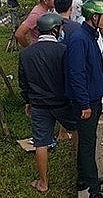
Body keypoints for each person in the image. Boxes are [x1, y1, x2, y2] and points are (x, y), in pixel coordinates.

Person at [18, 13, 77, 193]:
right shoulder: (64, 50)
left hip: (39, 105)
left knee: (41, 143)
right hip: (63, 103)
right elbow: (71, 77)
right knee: (77, 132)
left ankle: (43, 183)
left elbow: (23, 82)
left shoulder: (26, 54)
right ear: (55, 29)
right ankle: (80, 171)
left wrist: (28, 101)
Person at [66, 0, 103, 197]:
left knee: (88, 141)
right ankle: (94, 189)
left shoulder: (90, 36)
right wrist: (85, 104)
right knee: (86, 144)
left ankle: (84, 177)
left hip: (93, 99)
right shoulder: (79, 38)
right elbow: (76, 74)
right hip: (86, 103)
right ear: (94, 17)